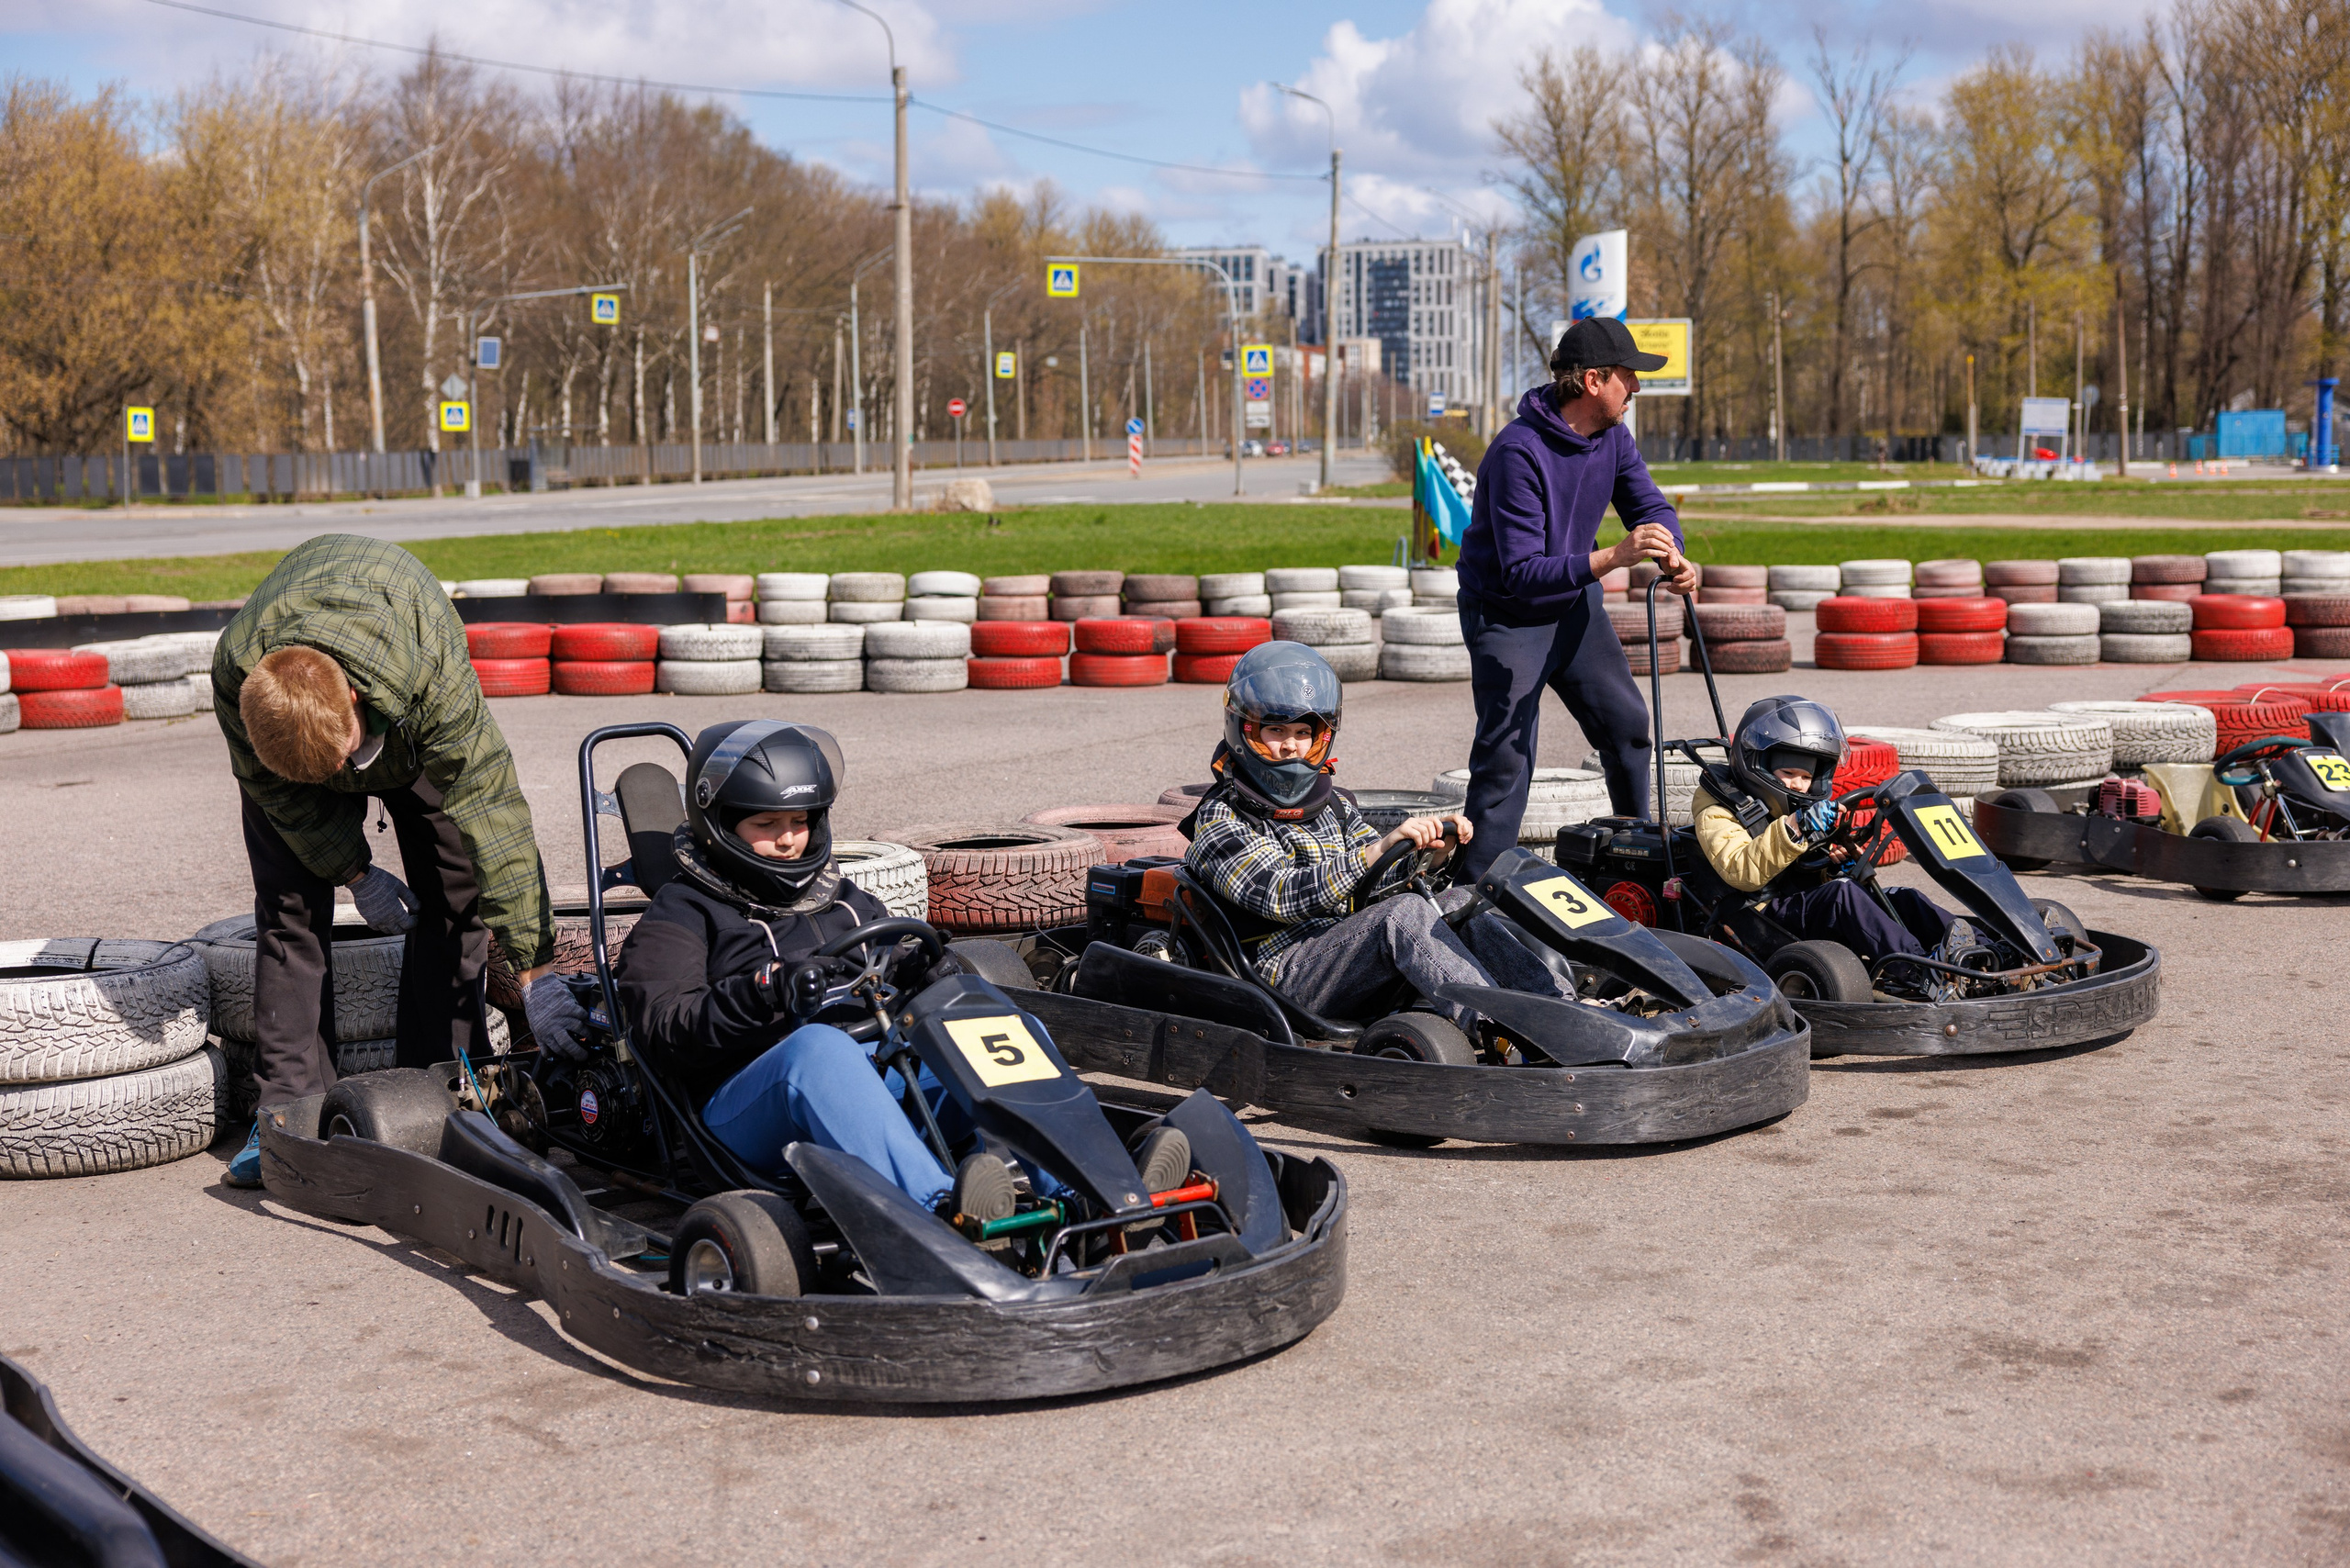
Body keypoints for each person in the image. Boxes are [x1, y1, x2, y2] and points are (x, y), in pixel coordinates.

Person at [613, 720, 1187, 1235]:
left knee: (998, 1020)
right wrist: (766, 990)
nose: (789, 839)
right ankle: (941, 1212)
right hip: (745, 1111)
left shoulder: (838, 897)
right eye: (766, 823)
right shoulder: (682, 913)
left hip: (873, 1076)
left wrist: (923, 967)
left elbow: (900, 950)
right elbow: (662, 1027)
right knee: (819, 1047)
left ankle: (1093, 1187)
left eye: (800, 821)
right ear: (719, 826)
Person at [214, 534, 576, 1188]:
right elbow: (281, 797)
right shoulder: (238, 677)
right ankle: (285, 1114)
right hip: (298, 755)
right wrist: (355, 873)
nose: (337, 781)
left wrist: (535, 971)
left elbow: (493, 814)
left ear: (352, 700)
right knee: (289, 909)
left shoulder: (428, 674)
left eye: (338, 762)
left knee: (457, 888)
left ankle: (454, 1082)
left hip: (407, 724)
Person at [1181, 641, 1566, 1036]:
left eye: (1303, 732)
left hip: (1346, 949)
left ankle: (1563, 1008)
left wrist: (1430, 855)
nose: (1292, 745)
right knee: (1400, 915)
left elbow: (1380, 877)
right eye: (1276, 730)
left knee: (1457, 903)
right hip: (1282, 974)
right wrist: (1375, 850)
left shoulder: (1333, 804)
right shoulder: (1222, 817)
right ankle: (1501, 1030)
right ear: (1243, 728)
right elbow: (1280, 895)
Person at [1454, 316, 1699, 884]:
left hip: (1574, 607)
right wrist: (1614, 558)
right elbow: (1521, 573)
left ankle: (1631, 863)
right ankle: (1470, 900)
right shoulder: (1518, 453)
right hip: (1508, 614)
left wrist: (1673, 555)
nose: (1636, 388)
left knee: (1628, 726)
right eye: (1627, 377)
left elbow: (1650, 506)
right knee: (1507, 761)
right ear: (1593, 381)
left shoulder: (1612, 436)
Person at [1694, 696, 1966, 975]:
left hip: (1797, 902)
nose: (1798, 786)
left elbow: (1802, 870)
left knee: (1904, 897)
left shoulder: (1794, 808)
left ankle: (1973, 952)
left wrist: (1832, 866)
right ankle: (1919, 970)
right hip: (1759, 917)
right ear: (1757, 763)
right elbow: (1741, 871)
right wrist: (1794, 828)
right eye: (1789, 772)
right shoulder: (1717, 811)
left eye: (1807, 777)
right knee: (1842, 896)